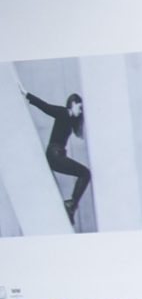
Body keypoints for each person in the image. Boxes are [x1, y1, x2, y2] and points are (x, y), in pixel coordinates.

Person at [23, 89, 92, 222]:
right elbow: (46, 107)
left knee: (85, 173)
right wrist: (27, 95)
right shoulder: (63, 112)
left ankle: (71, 206)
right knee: (85, 173)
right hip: (55, 155)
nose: (81, 111)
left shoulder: (70, 120)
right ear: (73, 103)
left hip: (57, 155)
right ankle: (71, 205)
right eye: (80, 107)